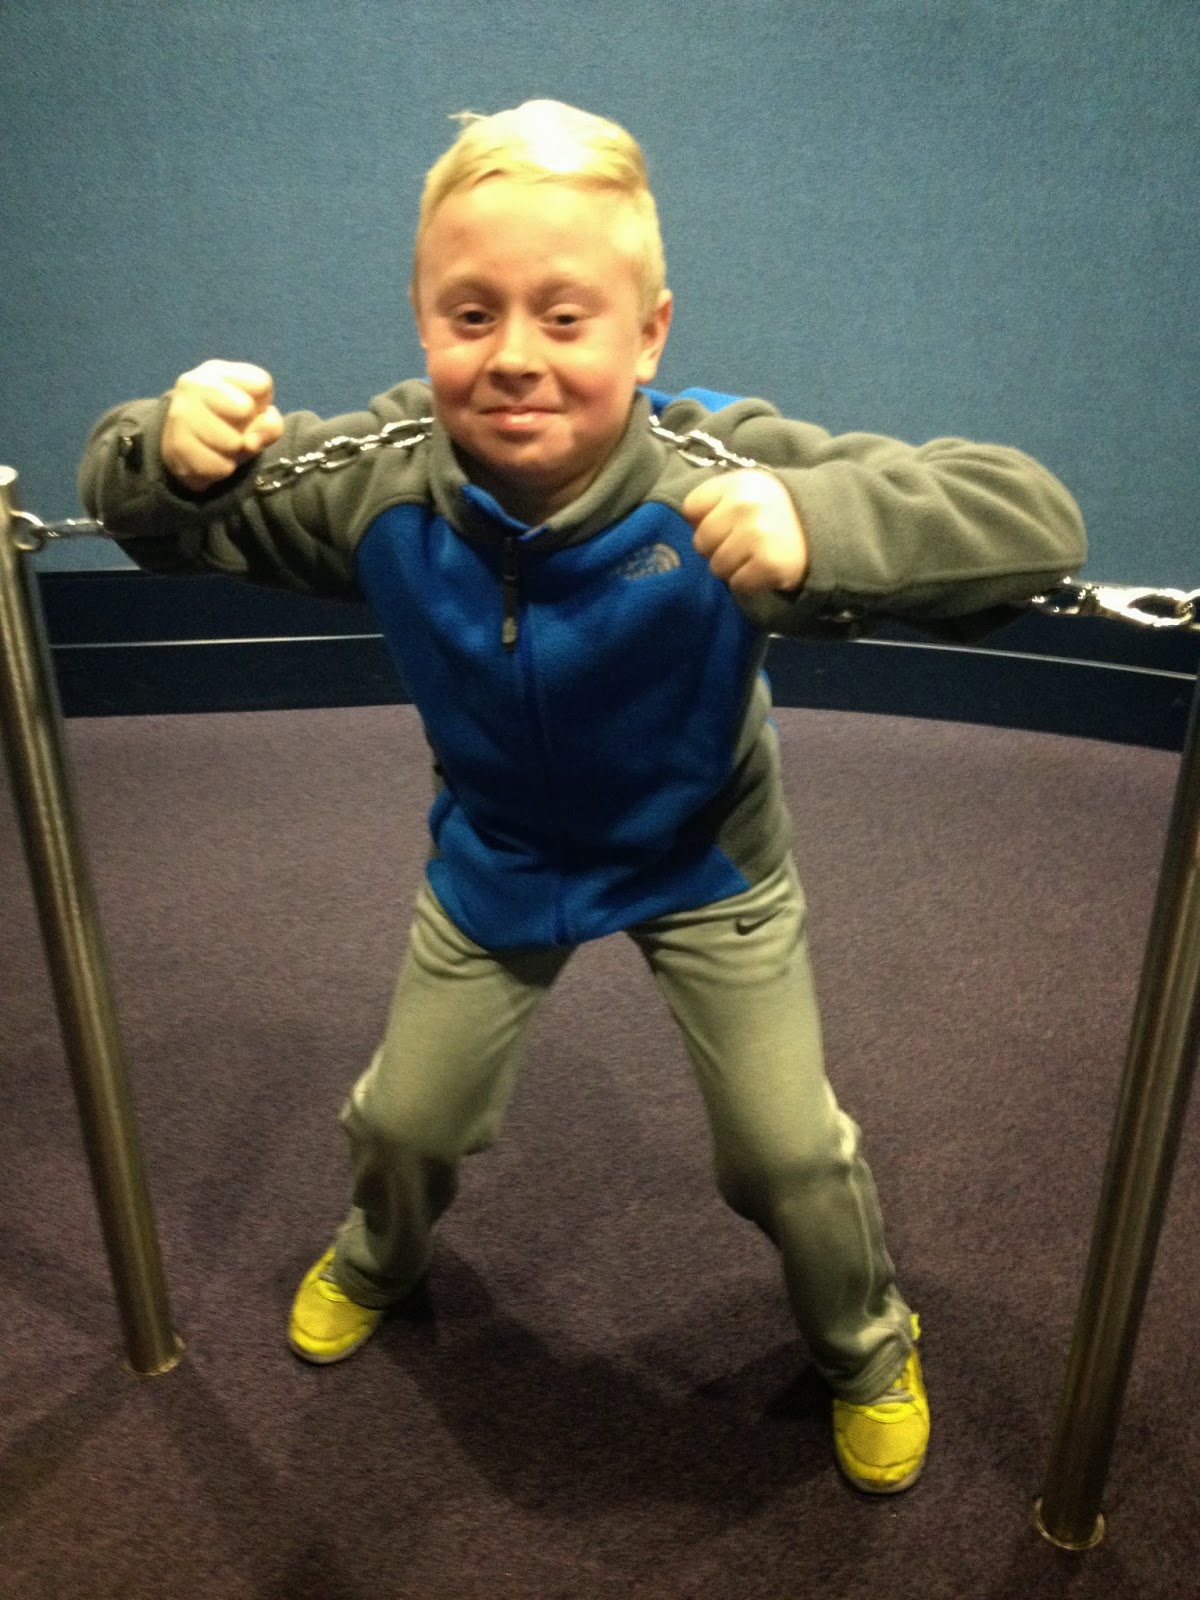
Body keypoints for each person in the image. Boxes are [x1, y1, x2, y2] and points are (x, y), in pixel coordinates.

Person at [79, 99, 1086, 1495]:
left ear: (649, 334)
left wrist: (824, 527)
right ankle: (380, 1253)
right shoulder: (375, 482)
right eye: (470, 313)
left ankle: (866, 1344)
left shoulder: (720, 462)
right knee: (403, 1126)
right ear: (422, 322)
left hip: (704, 859)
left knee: (789, 1159)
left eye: (566, 317)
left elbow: (1033, 515)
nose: (514, 356)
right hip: (497, 855)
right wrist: (163, 444)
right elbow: (146, 514)